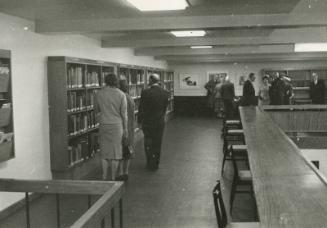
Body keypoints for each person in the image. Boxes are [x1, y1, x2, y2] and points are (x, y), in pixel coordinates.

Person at [95, 73, 128, 181]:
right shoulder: (121, 94)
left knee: (104, 152)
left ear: (106, 81)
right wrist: (126, 128)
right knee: (116, 152)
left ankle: (104, 177)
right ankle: (113, 178)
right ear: (116, 82)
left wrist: (101, 120)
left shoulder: (99, 94)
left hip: (104, 124)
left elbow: (96, 111)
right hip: (117, 126)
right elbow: (124, 114)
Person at [138, 73, 169, 170]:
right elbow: (164, 108)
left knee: (148, 142)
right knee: (158, 142)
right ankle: (156, 164)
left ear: (151, 80)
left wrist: (139, 121)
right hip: (159, 122)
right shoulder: (165, 92)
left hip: (148, 122)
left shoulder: (145, 92)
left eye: (149, 80)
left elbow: (141, 108)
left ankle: (149, 162)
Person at [118, 79, 135, 181]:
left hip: (122, 127)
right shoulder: (130, 98)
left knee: (120, 151)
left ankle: (120, 171)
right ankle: (126, 171)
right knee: (128, 150)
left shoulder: (120, 98)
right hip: (130, 127)